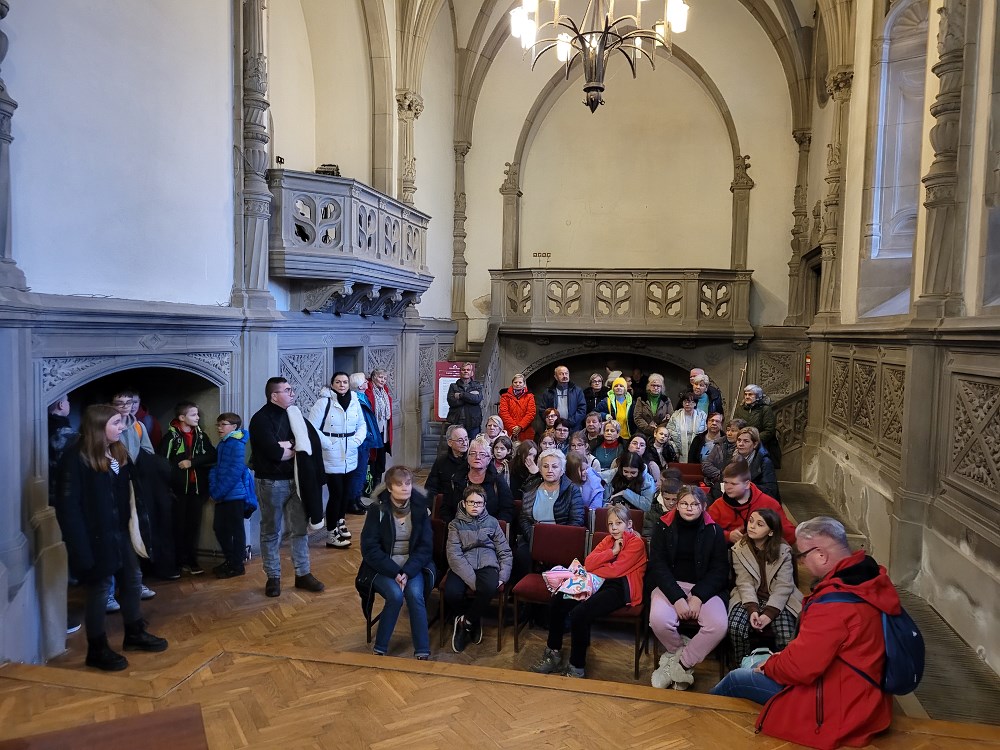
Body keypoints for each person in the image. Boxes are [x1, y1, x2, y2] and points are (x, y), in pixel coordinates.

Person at [711, 517, 901, 750]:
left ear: (821, 555)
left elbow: (800, 668)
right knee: (757, 661)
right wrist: (780, 657)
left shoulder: (835, 605)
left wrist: (770, 665)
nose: (801, 562)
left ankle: (702, 720)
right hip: (867, 692)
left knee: (736, 679)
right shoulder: (870, 578)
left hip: (839, 704)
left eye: (801, 555)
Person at [54, 404, 168, 671]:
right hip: (94, 536)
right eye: (116, 423)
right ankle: (97, 649)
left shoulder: (117, 450)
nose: (122, 427)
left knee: (132, 579)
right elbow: (68, 509)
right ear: (98, 426)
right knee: (100, 589)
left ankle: (134, 633)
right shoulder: (75, 457)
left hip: (120, 531)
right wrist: (80, 550)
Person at [530, 503, 647, 678]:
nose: (614, 528)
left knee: (580, 613)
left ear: (629, 524)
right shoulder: (608, 541)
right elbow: (589, 563)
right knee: (558, 601)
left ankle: (576, 667)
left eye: (619, 523)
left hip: (621, 587)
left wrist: (600, 565)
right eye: (610, 524)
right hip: (596, 582)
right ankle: (553, 653)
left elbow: (616, 571)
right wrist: (612, 552)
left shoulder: (637, 543)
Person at [249, 377, 325, 598]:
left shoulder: (295, 415)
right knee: (271, 531)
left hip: (297, 481)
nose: (293, 394)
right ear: (274, 395)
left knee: (299, 530)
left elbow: (309, 444)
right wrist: (293, 446)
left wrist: (289, 445)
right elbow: (275, 453)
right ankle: (273, 577)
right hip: (271, 482)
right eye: (287, 390)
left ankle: (303, 574)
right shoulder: (260, 419)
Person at [647, 485, 729, 691]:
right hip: (670, 584)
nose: (689, 508)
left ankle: (681, 665)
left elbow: (720, 570)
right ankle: (679, 652)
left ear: (703, 506)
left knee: (718, 625)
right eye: (684, 503)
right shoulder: (662, 526)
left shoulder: (714, 530)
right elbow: (657, 565)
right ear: (677, 505)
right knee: (658, 620)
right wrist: (677, 597)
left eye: (694, 504)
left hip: (704, 587)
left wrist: (698, 597)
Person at [359, 465, 433, 659]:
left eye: (408, 483)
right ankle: (380, 648)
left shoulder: (420, 509)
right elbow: (370, 549)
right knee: (395, 596)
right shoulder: (377, 509)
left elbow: (425, 547)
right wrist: (395, 572)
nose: (405, 487)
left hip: (412, 565)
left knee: (415, 595)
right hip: (383, 566)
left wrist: (407, 572)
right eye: (399, 484)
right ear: (389, 488)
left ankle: (422, 650)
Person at [727, 509, 802, 662]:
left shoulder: (783, 550)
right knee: (735, 627)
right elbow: (744, 582)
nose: (752, 526)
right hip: (749, 596)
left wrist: (769, 613)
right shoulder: (739, 548)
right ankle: (742, 664)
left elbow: (784, 586)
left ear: (771, 532)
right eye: (751, 521)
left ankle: (782, 666)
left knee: (786, 633)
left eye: (760, 524)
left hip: (778, 598)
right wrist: (752, 609)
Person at [445, 484, 513, 653]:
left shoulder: (493, 523)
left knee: (489, 587)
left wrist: (503, 576)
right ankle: (473, 619)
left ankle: (466, 622)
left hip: (487, 562)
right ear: (464, 503)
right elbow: (454, 554)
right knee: (452, 592)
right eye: (471, 502)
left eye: (479, 503)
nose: (475, 506)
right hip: (462, 564)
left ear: (484, 505)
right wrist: (472, 581)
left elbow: (504, 551)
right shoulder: (455, 524)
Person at [158, 402, 217, 576]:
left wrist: (192, 462)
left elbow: (212, 455)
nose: (198, 417)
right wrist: (168, 486)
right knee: (177, 526)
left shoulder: (201, 436)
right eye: (193, 415)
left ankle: (191, 560)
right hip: (177, 491)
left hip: (196, 489)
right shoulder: (171, 438)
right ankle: (177, 562)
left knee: (193, 526)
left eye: (197, 414)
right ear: (182, 417)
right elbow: (162, 463)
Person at [308, 372, 367, 549]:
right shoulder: (323, 402)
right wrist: (328, 443)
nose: (342, 385)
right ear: (332, 384)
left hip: (350, 453)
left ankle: (340, 521)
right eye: (338, 382)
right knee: (336, 494)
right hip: (331, 454)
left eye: (345, 382)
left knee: (346, 493)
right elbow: (312, 428)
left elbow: (362, 424)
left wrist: (357, 440)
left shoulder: (355, 401)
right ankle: (331, 532)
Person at [513, 449, 585, 581]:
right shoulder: (531, 488)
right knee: (521, 555)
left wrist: (553, 543)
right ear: (540, 469)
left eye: (555, 466)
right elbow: (524, 518)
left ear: (562, 470)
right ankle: (525, 590)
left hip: (562, 540)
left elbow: (576, 521)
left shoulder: (572, 490)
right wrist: (535, 541)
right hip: (534, 538)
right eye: (545, 466)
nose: (549, 470)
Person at [208, 412, 257, 578]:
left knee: (236, 530)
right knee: (219, 528)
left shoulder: (238, 443)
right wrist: (214, 489)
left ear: (234, 427)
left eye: (223, 424)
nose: (219, 428)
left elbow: (235, 471)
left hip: (235, 495)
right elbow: (216, 467)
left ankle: (237, 565)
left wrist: (217, 492)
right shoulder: (224, 443)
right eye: (218, 424)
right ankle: (230, 560)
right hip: (223, 494)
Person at [706, 460, 795, 545]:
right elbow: (707, 531)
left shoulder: (768, 504)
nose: (727, 487)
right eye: (725, 482)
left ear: (747, 484)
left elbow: (788, 534)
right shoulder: (718, 505)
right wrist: (728, 536)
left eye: (733, 484)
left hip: (764, 551)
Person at [438, 435, 514, 524]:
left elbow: (507, 510)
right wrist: (454, 526)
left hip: (490, 529)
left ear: (489, 459)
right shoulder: (456, 479)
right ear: (468, 457)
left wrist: (493, 526)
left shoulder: (497, 481)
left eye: (482, 454)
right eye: (473, 453)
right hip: (459, 528)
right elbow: (446, 509)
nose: (477, 457)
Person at [350, 372, 382, 514]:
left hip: (366, 439)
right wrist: (368, 436)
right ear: (359, 385)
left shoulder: (363, 397)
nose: (367, 383)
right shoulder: (356, 400)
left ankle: (357, 500)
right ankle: (353, 501)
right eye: (364, 381)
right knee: (358, 473)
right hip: (361, 441)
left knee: (362, 473)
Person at [733, 384, 781, 469]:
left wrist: (754, 441)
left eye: (750, 394)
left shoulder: (765, 409)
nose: (747, 397)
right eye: (745, 394)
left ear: (758, 396)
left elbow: (769, 430)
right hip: (743, 446)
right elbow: (736, 427)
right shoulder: (740, 410)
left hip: (762, 447)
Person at [726, 426, 780, 500]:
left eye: (746, 441)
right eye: (739, 440)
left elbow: (770, 490)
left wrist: (743, 487)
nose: (741, 444)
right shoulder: (732, 456)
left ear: (755, 444)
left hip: (757, 501)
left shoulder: (765, 462)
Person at [365, 368, 393, 488]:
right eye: (380, 377)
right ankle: (369, 487)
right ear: (373, 377)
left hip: (383, 431)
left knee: (381, 459)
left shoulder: (385, 392)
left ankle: (378, 484)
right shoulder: (368, 391)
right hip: (372, 430)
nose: (383, 380)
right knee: (372, 459)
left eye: (385, 378)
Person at [424, 424, 469, 500]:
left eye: (466, 439)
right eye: (460, 440)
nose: (465, 443)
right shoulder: (441, 461)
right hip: (446, 504)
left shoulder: (473, 460)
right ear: (450, 442)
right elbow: (431, 487)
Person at [537, 365, 587, 432]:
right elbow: (542, 410)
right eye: (561, 374)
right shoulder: (548, 392)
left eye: (566, 373)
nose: (564, 376)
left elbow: (582, 410)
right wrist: (552, 422)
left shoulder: (577, 391)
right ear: (556, 377)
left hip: (573, 428)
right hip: (553, 428)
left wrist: (569, 422)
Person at [702, 418, 746, 486]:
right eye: (728, 430)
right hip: (715, 482)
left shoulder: (744, 448)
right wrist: (721, 475)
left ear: (741, 432)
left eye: (733, 431)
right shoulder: (719, 444)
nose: (729, 433)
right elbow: (706, 465)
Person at [446, 362, 484, 440]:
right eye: (463, 370)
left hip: (473, 423)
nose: (466, 371)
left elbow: (477, 399)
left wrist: (461, 395)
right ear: (460, 372)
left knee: (473, 445)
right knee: (457, 444)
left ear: (472, 373)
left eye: (468, 370)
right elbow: (451, 402)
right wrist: (469, 398)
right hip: (457, 421)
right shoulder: (453, 386)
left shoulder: (477, 386)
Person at [666, 392, 706, 461]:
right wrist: (675, 449)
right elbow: (669, 433)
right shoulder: (675, 416)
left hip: (696, 450)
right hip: (678, 451)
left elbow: (704, 433)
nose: (687, 404)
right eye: (685, 402)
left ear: (695, 403)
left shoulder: (701, 416)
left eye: (690, 402)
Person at [642, 469, 682, 538]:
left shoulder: (685, 510)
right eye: (667, 499)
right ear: (662, 496)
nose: (671, 503)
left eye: (674, 499)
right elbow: (648, 535)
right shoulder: (652, 510)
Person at [633, 373, 673, 438]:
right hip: (643, 434)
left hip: (660, 435)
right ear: (649, 386)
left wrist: (658, 429)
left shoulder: (666, 400)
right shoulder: (641, 399)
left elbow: (671, 418)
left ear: (662, 387)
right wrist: (649, 428)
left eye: (658, 386)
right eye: (653, 385)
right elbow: (637, 417)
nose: (655, 388)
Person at [498, 373, 536, 442]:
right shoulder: (505, 396)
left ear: (524, 384)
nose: (518, 384)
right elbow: (503, 413)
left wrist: (520, 426)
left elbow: (531, 413)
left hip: (525, 430)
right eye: (515, 382)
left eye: (520, 382)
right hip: (509, 430)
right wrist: (513, 428)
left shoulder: (530, 396)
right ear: (512, 383)